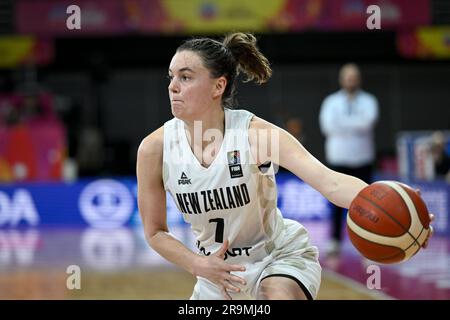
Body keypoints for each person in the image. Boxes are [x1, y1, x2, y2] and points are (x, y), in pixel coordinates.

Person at [136, 33, 433, 300]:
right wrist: (197, 264)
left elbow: (329, 182)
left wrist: (390, 203)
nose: (173, 86)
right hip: (215, 272)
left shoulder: (256, 135)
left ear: (218, 86)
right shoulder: (154, 149)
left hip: (277, 258)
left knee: (274, 295)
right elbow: (155, 232)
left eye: (185, 77)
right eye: (171, 77)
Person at [319, 63, 379, 255]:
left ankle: (369, 241)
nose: (350, 80)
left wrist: (343, 126)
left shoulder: (369, 100)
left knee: (367, 205)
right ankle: (335, 240)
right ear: (341, 79)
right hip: (339, 159)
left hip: (363, 158)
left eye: (354, 77)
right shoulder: (331, 102)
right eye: (347, 77)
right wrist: (355, 125)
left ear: (359, 79)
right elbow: (328, 127)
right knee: (336, 203)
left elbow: (368, 123)